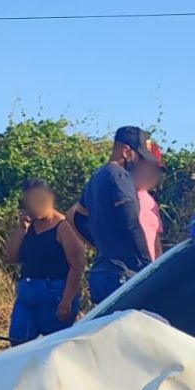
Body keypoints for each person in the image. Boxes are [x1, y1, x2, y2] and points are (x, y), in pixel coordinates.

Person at [70, 126, 158, 306]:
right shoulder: (120, 176)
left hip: (101, 273)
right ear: (126, 151)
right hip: (123, 275)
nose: (140, 164)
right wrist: (148, 266)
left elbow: (77, 216)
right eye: (139, 157)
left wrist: (101, 244)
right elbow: (131, 223)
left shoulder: (97, 176)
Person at [4, 179, 86, 345]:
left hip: (54, 293)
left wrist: (67, 300)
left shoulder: (64, 226)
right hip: (27, 293)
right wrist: (22, 229)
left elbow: (77, 265)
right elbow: (12, 257)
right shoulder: (28, 226)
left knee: (54, 347)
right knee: (19, 343)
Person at [134, 140, 165, 260]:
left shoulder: (151, 202)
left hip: (147, 272)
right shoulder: (120, 195)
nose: (150, 174)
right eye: (146, 168)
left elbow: (156, 244)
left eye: (155, 170)